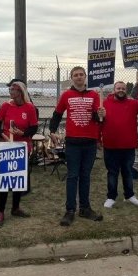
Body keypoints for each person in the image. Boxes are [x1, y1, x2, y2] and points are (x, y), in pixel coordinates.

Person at [49, 66, 103, 226]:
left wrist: (102, 115)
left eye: (81, 74)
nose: (79, 77)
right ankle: (70, 210)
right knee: (72, 176)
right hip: (73, 143)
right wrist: (52, 131)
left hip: (90, 143)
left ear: (85, 77)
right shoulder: (66, 95)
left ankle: (85, 208)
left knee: (85, 176)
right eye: (75, 75)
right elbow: (57, 114)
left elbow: (98, 119)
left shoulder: (94, 95)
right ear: (72, 78)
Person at [0, 80, 38, 227]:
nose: (10, 91)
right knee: (5, 180)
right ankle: (0, 212)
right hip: (7, 146)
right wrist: (2, 135)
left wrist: (23, 133)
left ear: (21, 92)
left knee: (18, 179)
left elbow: (34, 128)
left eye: (13, 89)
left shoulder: (29, 108)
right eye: (10, 89)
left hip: (22, 147)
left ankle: (15, 208)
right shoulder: (6, 106)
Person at [98, 73, 138, 209]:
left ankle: (129, 195)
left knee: (127, 171)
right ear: (114, 90)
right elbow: (99, 123)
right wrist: (98, 138)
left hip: (128, 145)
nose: (121, 90)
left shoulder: (132, 103)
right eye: (118, 88)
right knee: (112, 172)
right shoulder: (104, 103)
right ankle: (111, 197)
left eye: (123, 89)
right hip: (111, 145)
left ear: (126, 90)